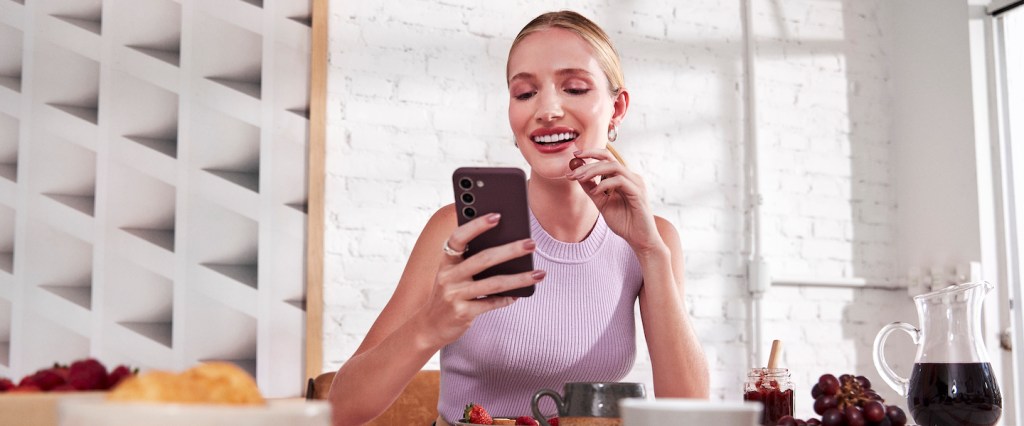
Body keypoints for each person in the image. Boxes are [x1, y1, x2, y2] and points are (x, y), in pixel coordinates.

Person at [328, 10, 709, 426]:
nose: (546, 109)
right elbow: (340, 410)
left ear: (617, 108)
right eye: (525, 94)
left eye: (575, 88)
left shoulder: (654, 240)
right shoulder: (459, 229)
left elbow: (690, 414)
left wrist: (651, 253)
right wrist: (430, 325)